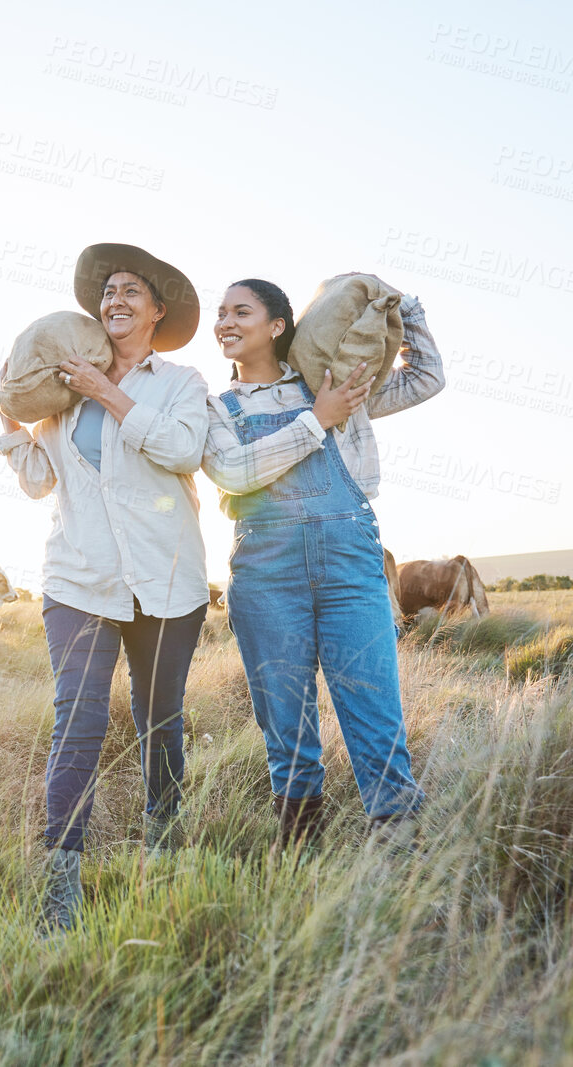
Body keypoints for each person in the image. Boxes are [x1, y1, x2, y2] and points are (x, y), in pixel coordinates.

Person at [0, 243, 211, 931]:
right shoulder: (63, 387)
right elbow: (40, 481)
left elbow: (182, 449)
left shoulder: (180, 383)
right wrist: (11, 430)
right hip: (79, 580)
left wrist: (108, 393)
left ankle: (166, 853)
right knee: (77, 723)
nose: (115, 300)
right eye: (108, 290)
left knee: (161, 722)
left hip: (166, 580)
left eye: (131, 292)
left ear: (157, 312)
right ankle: (61, 893)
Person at [199, 278, 444, 848]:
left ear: (278, 326)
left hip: (351, 566)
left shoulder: (335, 385)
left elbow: (426, 377)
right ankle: (301, 856)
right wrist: (318, 419)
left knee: (375, 712)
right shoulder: (216, 408)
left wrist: (401, 305)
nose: (225, 323)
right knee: (287, 727)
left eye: (241, 311)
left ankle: (399, 857)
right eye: (220, 314)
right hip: (266, 574)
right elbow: (233, 474)